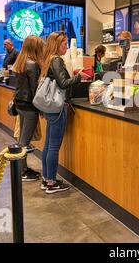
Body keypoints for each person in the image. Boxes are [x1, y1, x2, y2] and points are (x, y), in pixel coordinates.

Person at [39, 32, 87, 194]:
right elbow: (64, 83)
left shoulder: (48, 60)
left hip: (49, 107)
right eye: (64, 44)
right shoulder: (57, 60)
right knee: (53, 146)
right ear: (56, 45)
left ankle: (46, 179)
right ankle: (52, 183)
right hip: (58, 107)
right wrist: (79, 77)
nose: (66, 47)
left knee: (48, 145)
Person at [13, 35, 44, 182]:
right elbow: (35, 90)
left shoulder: (21, 62)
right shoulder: (33, 64)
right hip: (30, 106)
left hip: (20, 104)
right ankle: (22, 171)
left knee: (22, 138)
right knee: (24, 141)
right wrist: (42, 108)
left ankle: (23, 168)